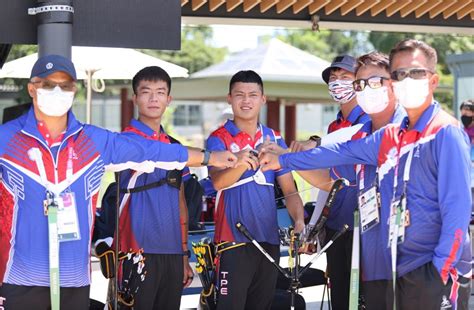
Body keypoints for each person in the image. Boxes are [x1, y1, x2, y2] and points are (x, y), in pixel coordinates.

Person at [0, 55, 236, 309]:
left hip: (74, 280)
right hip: (18, 277)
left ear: (74, 90)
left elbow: (154, 152)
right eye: (48, 84)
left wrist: (210, 157)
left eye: (64, 85)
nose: (57, 91)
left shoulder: (93, 140)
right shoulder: (6, 138)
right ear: (32, 88)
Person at [260, 39, 471, 309]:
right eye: (360, 84)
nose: (368, 89)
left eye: (415, 73)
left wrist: (439, 271)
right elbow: (335, 153)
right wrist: (285, 159)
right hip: (384, 268)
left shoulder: (445, 133)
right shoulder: (387, 136)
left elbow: (458, 210)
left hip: (429, 269)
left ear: (431, 80)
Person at [96, 66, 195, 309]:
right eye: (146, 92)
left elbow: (180, 203)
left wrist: (184, 255)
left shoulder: (175, 146)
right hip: (134, 253)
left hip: (172, 254)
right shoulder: (122, 142)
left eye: (160, 92)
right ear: (135, 98)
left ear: (168, 99)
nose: (153, 98)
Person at [206, 70, 305, 310]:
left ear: (263, 98)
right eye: (239, 95)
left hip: (269, 242)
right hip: (233, 242)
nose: (246, 100)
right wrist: (240, 162)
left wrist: (300, 221)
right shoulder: (218, 139)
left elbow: (290, 190)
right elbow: (217, 183)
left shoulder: (274, 138)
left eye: (252, 94)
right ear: (229, 98)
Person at [295, 54, 370, 310]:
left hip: (365, 226)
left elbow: (351, 140)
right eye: (333, 78)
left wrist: (309, 146)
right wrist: (313, 226)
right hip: (338, 227)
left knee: (361, 300)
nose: (337, 83)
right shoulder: (334, 125)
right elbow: (326, 182)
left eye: (345, 77)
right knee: (340, 300)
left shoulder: (369, 119)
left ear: (359, 82)